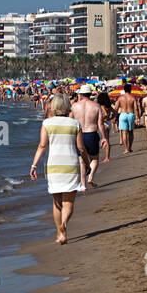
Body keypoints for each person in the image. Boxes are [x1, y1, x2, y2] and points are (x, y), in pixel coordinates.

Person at [30, 94, 89, 244]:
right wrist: (87, 163)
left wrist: (34, 165)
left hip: (53, 166)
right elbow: (81, 148)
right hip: (70, 164)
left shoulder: (47, 123)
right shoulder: (75, 124)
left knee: (56, 202)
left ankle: (60, 234)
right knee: (68, 203)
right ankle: (63, 226)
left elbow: (42, 146)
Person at [70, 86, 104, 187]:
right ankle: (90, 177)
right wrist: (104, 137)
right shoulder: (96, 106)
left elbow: (70, 121)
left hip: (78, 135)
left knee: (81, 160)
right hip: (92, 133)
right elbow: (100, 123)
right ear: (90, 94)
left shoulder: (74, 106)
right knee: (94, 159)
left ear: (80, 94)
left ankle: (83, 186)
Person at [114, 83, 139, 154]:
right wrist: (137, 118)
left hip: (123, 114)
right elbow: (136, 108)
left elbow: (116, 108)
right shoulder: (133, 98)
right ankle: (130, 147)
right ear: (131, 90)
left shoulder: (120, 98)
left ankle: (126, 149)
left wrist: (115, 116)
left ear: (124, 90)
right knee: (131, 132)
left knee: (124, 133)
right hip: (131, 114)